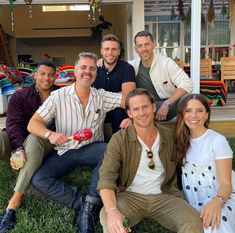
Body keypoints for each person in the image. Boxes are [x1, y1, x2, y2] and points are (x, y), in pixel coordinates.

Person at [27, 52, 125, 233]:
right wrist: (50, 134)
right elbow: (33, 123)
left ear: (96, 73)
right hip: (65, 149)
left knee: (110, 151)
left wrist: (132, 118)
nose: (87, 72)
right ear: (75, 70)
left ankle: (91, 202)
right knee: (39, 179)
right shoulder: (58, 96)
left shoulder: (101, 96)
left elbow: (130, 101)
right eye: (83, 67)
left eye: (92, 68)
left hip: (92, 148)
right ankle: (81, 204)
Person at [97, 88, 203, 233]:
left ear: (153, 107)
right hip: (129, 197)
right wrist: (112, 210)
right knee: (111, 222)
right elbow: (106, 178)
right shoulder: (119, 139)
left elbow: (196, 142)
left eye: (145, 107)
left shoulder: (170, 136)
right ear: (129, 113)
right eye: (136, 109)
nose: (141, 113)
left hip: (164, 196)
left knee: (194, 222)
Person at [0, 60, 57, 233]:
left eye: (50, 75)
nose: (46, 78)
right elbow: (13, 124)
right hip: (20, 140)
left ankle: (14, 202)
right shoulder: (20, 95)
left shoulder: (61, 96)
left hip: (45, 144)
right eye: (42, 74)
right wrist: (18, 149)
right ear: (34, 75)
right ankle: (23, 159)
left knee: (34, 138)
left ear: (55, 77)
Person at [174, 93, 235, 233]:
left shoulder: (217, 141)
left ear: (207, 114)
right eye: (188, 111)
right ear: (182, 115)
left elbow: (226, 184)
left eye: (199, 110)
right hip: (194, 202)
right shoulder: (180, 140)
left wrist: (216, 202)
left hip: (222, 197)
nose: (193, 116)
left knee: (215, 224)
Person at [129, 30, 193, 121]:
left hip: (169, 106)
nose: (144, 49)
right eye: (140, 46)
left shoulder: (166, 63)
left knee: (188, 100)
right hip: (145, 108)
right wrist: (102, 62)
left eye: (147, 44)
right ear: (136, 49)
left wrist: (167, 103)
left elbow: (187, 83)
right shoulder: (132, 66)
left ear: (154, 45)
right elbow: (116, 66)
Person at [93, 34, 136, 134]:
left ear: (119, 51)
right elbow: (88, 94)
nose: (110, 53)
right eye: (106, 49)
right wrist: (119, 93)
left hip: (118, 111)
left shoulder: (127, 68)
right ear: (101, 51)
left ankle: (118, 145)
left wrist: (101, 95)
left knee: (118, 110)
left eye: (114, 49)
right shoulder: (94, 69)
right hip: (99, 109)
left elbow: (128, 98)